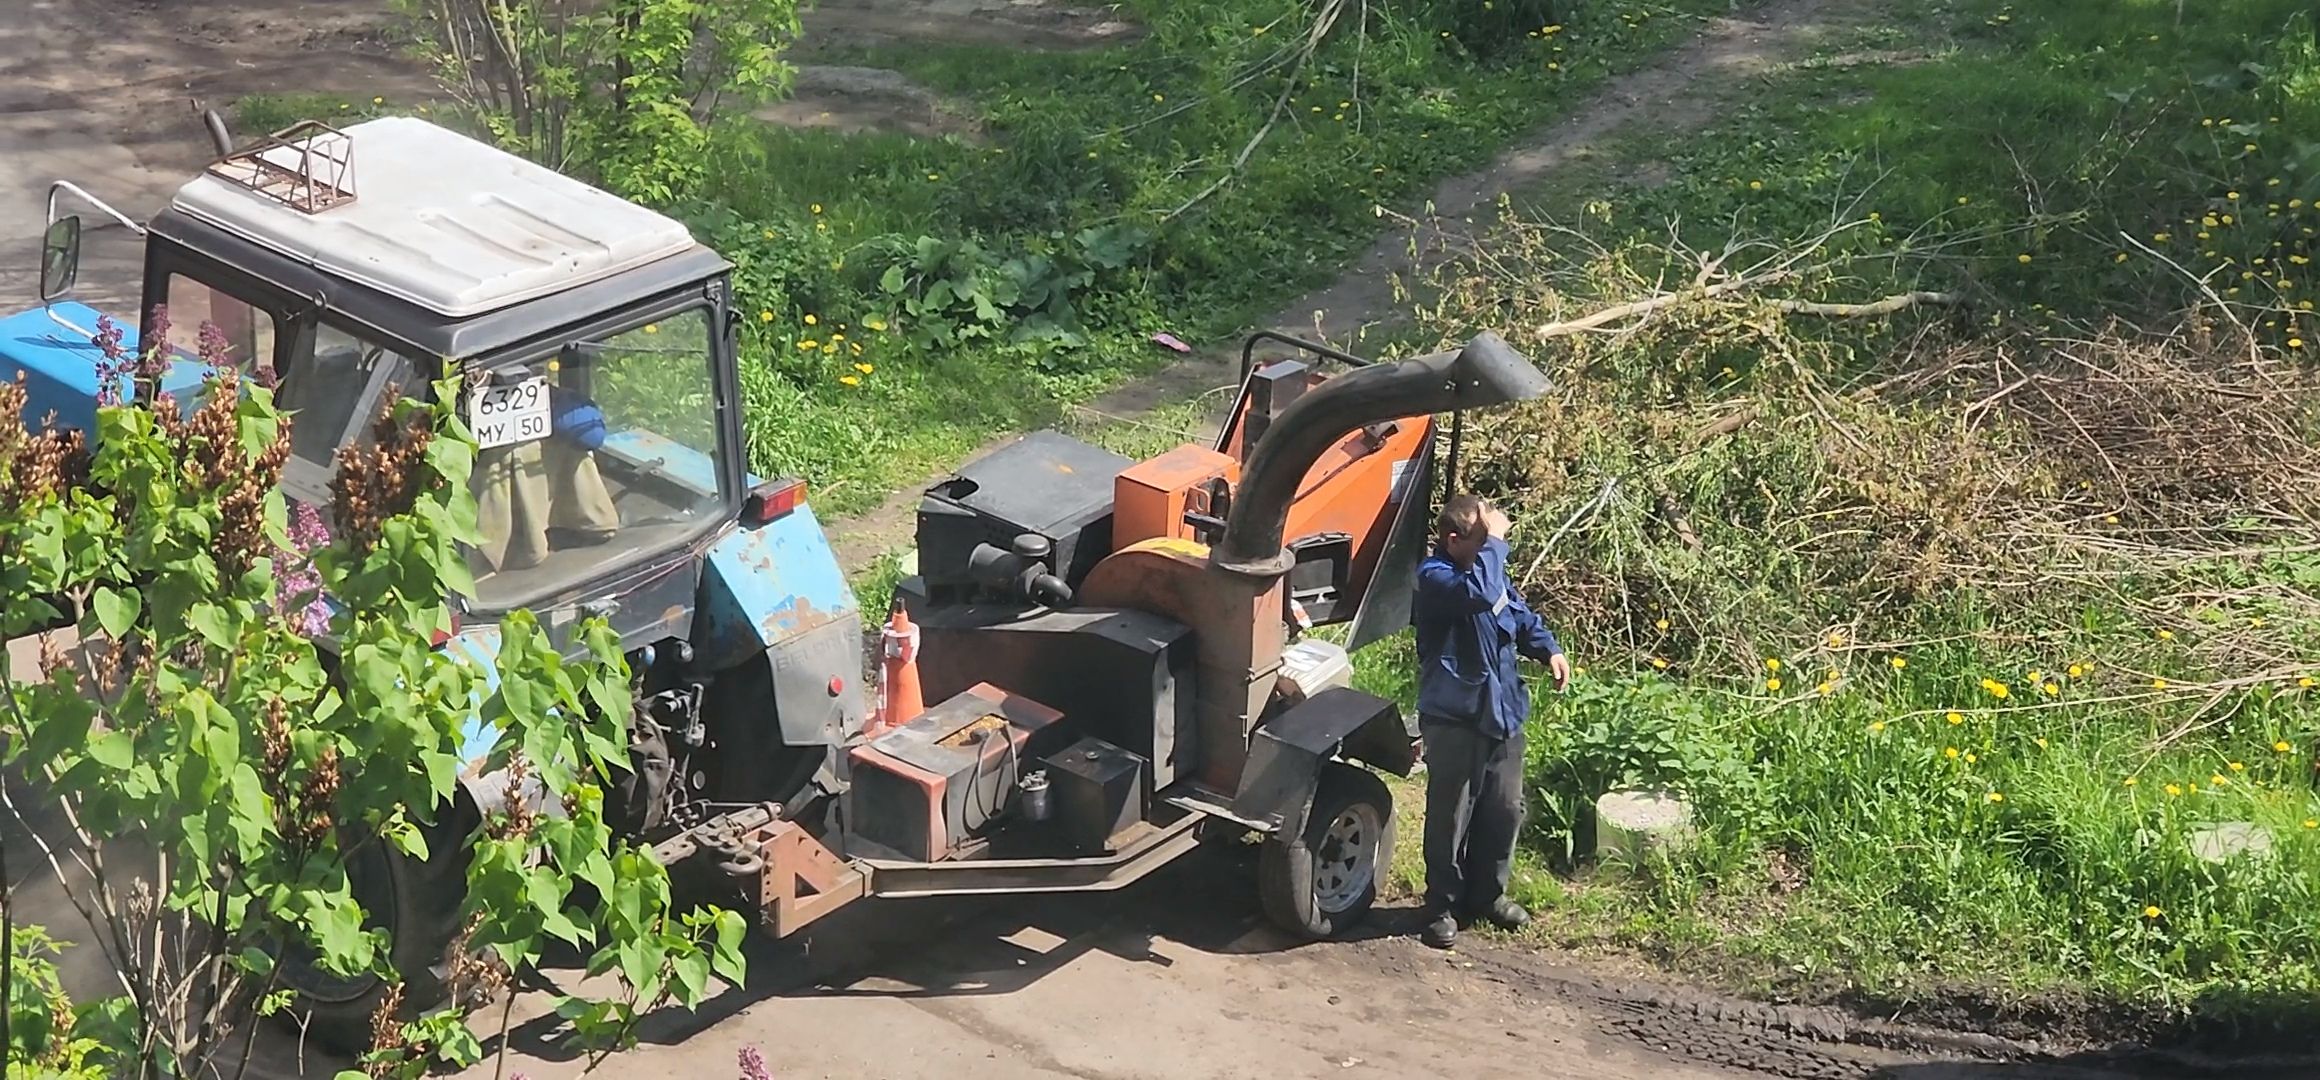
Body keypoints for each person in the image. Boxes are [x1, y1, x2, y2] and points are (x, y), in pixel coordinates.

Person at [1412, 493, 1571, 949]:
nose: (1490, 550)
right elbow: (1480, 594)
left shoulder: (1487, 570)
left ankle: (1487, 896)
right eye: (1482, 542)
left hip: (1503, 714)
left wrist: (1549, 649)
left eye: (1491, 544)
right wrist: (1496, 542)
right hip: (1455, 717)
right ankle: (1441, 905)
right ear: (1453, 539)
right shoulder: (1436, 578)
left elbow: (1517, 615)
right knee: (1451, 816)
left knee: (1504, 811)